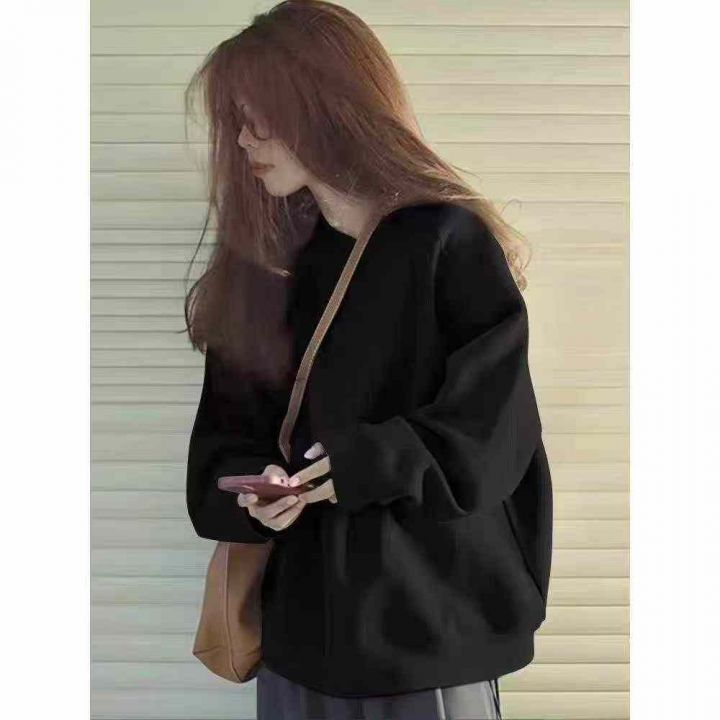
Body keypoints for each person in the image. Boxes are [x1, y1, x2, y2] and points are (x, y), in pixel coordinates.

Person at [184, 2, 553, 718]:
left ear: (325, 106)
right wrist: (257, 490)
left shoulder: (446, 243)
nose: (244, 139)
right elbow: (224, 436)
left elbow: (495, 431)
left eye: (259, 117)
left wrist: (360, 464)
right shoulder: (264, 266)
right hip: (302, 635)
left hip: (431, 627)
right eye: (236, 120)